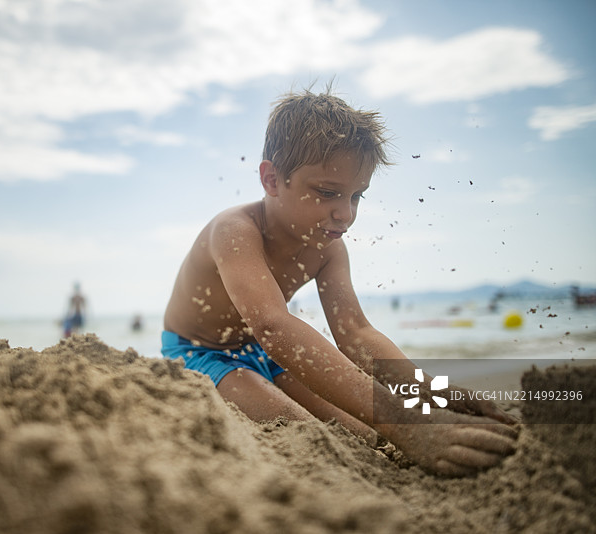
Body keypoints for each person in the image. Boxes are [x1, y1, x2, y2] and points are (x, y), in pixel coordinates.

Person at [161, 88, 518, 477]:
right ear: (272, 180)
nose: (345, 213)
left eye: (357, 196)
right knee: (306, 431)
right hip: (201, 354)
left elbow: (356, 333)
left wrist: (428, 392)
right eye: (328, 193)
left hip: (267, 356)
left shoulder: (328, 248)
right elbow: (272, 325)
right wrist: (404, 423)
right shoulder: (236, 232)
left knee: (361, 434)